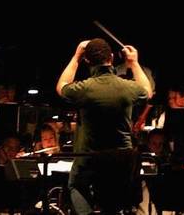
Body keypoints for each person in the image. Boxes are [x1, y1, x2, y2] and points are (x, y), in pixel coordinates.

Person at [56, 39, 152, 215]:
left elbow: (61, 86)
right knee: (112, 203)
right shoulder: (127, 87)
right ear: (113, 57)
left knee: (75, 184)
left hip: (91, 160)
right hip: (121, 161)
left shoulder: (85, 88)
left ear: (87, 61)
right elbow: (147, 89)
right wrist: (134, 63)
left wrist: (76, 56)